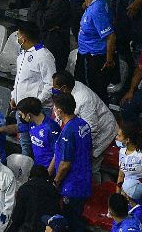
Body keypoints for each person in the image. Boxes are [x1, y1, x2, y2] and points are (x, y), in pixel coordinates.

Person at [49, 92, 93, 232]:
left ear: (60, 111)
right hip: (84, 179)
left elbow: (65, 164)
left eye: (54, 108)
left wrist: (56, 182)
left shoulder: (68, 131)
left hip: (72, 186)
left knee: (72, 222)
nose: (53, 111)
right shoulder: (83, 124)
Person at [76, 0, 117, 100]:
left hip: (94, 58)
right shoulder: (97, 3)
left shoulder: (96, 10)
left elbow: (110, 36)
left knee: (92, 94)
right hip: (87, 55)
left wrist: (109, 60)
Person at [30, 0, 72, 70]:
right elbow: (30, 18)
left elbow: (43, 23)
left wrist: (37, 9)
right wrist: (36, 2)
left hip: (55, 48)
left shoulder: (60, 0)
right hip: (43, 42)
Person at [4, 165, 62, 232]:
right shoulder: (52, 189)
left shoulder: (24, 189)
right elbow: (57, 213)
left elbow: (18, 215)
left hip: (28, 227)